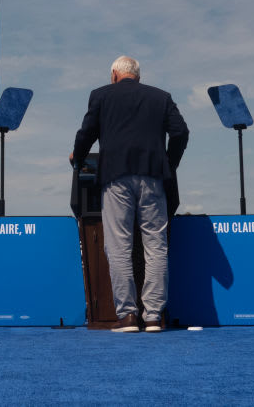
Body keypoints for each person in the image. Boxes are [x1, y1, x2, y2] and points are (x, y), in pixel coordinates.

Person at [71, 55, 188, 333]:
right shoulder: (161, 97)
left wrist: (79, 158)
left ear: (114, 74)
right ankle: (153, 317)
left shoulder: (101, 96)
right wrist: (167, 164)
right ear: (138, 75)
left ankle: (127, 317)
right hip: (153, 178)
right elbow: (181, 132)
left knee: (119, 246)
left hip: (116, 177)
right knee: (156, 245)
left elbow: (86, 133)